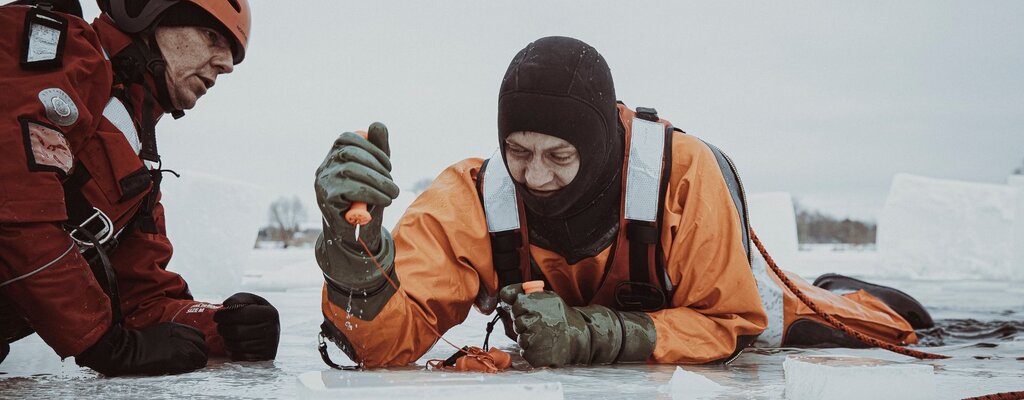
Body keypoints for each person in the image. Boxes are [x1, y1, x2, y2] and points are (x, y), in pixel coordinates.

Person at [313, 36, 932, 368]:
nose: (536, 175)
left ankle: (848, 289)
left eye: (560, 156)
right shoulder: (474, 196)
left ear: (600, 143)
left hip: (737, 300)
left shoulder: (681, 174)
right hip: (622, 319)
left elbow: (729, 323)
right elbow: (384, 347)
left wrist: (593, 335)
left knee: (876, 325)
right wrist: (353, 261)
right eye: (519, 151)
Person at [0, 0, 279, 376]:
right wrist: (100, 341)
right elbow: (14, 198)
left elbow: (144, 300)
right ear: (148, 18)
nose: (226, 64)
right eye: (212, 37)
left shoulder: (137, 162)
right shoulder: (58, 49)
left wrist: (222, 327)